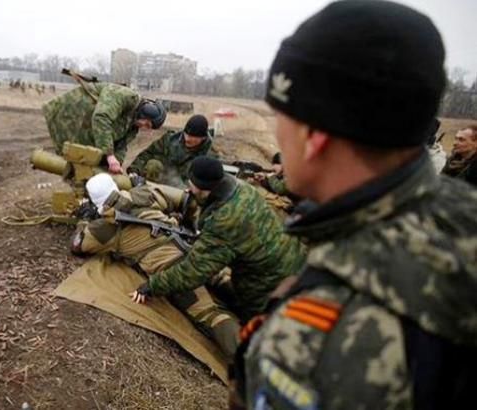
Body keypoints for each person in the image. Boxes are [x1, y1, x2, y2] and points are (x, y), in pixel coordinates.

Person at [233, 2, 477, 409]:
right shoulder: (463, 211)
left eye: (280, 114)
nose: (277, 131)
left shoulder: (315, 342)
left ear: (314, 134)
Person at [70, 173, 240, 358]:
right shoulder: (144, 193)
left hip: (174, 272)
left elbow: (78, 245)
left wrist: (84, 219)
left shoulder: (103, 228)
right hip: (197, 251)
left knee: (210, 314)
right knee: (228, 282)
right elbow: (184, 199)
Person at [131, 157, 306, 325]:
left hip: (269, 287)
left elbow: (193, 272)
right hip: (296, 263)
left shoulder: (224, 221)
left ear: (205, 189)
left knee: (260, 327)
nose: (188, 190)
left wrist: (152, 286)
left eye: (192, 187)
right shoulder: (242, 188)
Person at [42, 81, 166, 174]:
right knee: (72, 163)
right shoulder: (123, 95)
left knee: (88, 167)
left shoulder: (133, 126)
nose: (144, 128)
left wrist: (116, 165)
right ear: (146, 112)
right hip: (68, 116)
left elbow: (121, 146)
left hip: (85, 130)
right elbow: (101, 117)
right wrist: (110, 155)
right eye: (147, 124)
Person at [128, 114, 217, 187]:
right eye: (186, 134)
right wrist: (134, 171)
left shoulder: (209, 156)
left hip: (183, 191)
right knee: (153, 165)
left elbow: (208, 184)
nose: (188, 139)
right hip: (158, 182)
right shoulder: (169, 140)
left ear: (203, 138)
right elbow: (147, 154)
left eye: (193, 138)